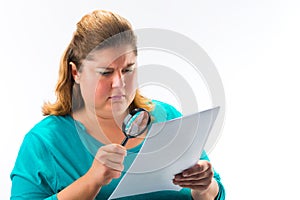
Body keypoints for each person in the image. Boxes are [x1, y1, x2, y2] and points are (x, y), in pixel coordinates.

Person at [10, 10, 225, 200]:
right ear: (76, 73)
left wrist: (205, 188)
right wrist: (90, 182)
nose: (119, 84)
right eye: (106, 73)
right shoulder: (43, 143)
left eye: (128, 69)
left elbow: (216, 192)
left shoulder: (168, 118)